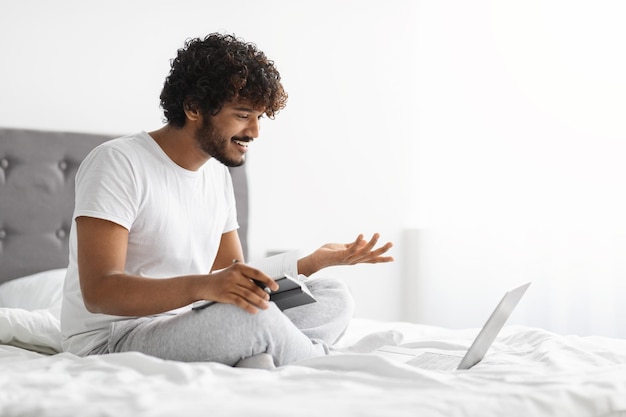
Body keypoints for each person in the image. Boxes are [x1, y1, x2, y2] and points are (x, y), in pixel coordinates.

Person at [60, 32, 393, 368]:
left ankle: (265, 353)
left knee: (333, 295)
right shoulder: (118, 162)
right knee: (253, 321)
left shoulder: (216, 174)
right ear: (193, 107)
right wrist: (205, 287)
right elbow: (99, 292)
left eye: (259, 117)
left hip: (187, 321)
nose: (255, 132)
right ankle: (317, 366)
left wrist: (311, 262)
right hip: (115, 338)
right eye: (242, 114)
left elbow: (234, 275)